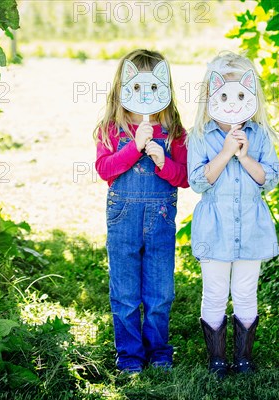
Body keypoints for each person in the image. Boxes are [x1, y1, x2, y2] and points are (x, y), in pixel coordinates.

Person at [187, 51, 279, 377]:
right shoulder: (200, 136)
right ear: (211, 94)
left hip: (250, 227)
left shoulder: (259, 136)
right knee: (214, 292)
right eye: (224, 95)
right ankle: (216, 359)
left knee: (245, 292)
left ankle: (243, 358)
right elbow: (198, 181)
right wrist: (226, 152)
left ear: (251, 94)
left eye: (241, 95)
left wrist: (243, 157)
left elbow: (270, 178)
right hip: (215, 229)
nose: (231, 103)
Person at [94, 49, 188, 374]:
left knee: (160, 291)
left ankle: (159, 351)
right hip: (123, 217)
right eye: (135, 88)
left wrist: (163, 161)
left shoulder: (173, 131)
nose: (144, 95)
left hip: (160, 217)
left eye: (152, 88)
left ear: (164, 87)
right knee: (125, 292)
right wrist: (134, 148)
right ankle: (130, 355)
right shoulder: (112, 129)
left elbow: (184, 177)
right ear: (123, 87)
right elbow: (105, 169)